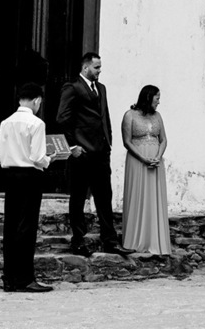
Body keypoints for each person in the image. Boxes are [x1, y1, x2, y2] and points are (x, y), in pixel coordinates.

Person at [56, 52, 133, 256]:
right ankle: (78, 241)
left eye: (100, 67)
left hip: (101, 153)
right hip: (81, 153)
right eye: (96, 67)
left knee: (104, 197)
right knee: (78, 197)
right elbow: (62, 118)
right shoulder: (72, 88)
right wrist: (73, 146)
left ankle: (110, 240)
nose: (100, 71)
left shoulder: (101, 89)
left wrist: (108, 142)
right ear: (85, 68)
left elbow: (103, 117)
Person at [0, 82, 53, 293]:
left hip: (10, 175)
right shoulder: (36, 124)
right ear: (37, 100)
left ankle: (9, 278)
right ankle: (25, 278)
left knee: (10, 227)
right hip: (29, 176)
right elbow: (38, 157)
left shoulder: (5, 122)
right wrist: (50, 159)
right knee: (27, 227)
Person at [120, 84, 171, 254]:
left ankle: (155, 241)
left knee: (153, 197)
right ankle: (135, 240)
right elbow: (127, 141)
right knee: (138, 195)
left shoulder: (158, 116)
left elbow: (163, 139)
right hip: (137, 161)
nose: (159, 102)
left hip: (155, 161)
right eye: (157, 98)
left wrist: (158, 156)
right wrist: (143, 158)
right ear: (148, 97)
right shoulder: (130, 115)